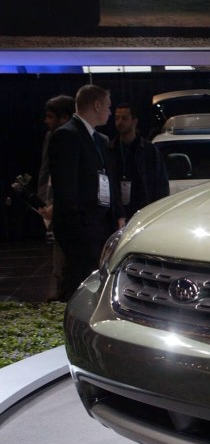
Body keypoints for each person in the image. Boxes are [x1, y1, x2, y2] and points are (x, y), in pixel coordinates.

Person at [47, 84, 125, 301]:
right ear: (97, 105)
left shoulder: (99, 139)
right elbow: (66, 190)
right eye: (108, 107)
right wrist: (81, 228)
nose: (110, 112)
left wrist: (117, 215)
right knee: (78, 284)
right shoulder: (66, 136)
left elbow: (110, 178)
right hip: (82, 231)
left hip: (102, 226)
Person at [35, 94, 75, 300]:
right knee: (59, 255)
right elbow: (45, 170)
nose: (46, 121)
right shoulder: (51, 138)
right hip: (55, 205)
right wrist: (44, 203)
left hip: (74, 209)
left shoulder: (79, 138)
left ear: (64, 117)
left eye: (51, 116)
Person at [111, 103, 169, 218]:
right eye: (117, 118)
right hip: (117, 211)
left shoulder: (149, 150)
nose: (120, 122)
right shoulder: (110, 148)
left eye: (124, 118)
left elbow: (161, 184)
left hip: (143, 209)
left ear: (134, 121)